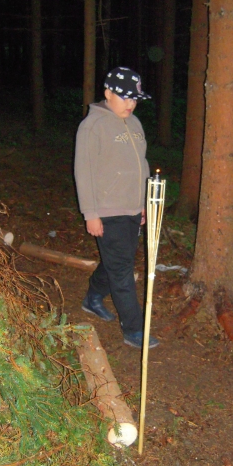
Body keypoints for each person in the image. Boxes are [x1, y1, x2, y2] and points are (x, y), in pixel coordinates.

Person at [74, 67, 159, 349]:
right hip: (108, 209)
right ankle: (134, 330)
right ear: (108, 94)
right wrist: (91, 214)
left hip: (132, 208)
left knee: (118, 261)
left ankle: (92, 297)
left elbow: (142, 165)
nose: (130, 104)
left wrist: (143, 203)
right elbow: (83, 172)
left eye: (134, 99)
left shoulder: (134, 123)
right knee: (122, 269)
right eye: (125, 98)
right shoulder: (92, 126)